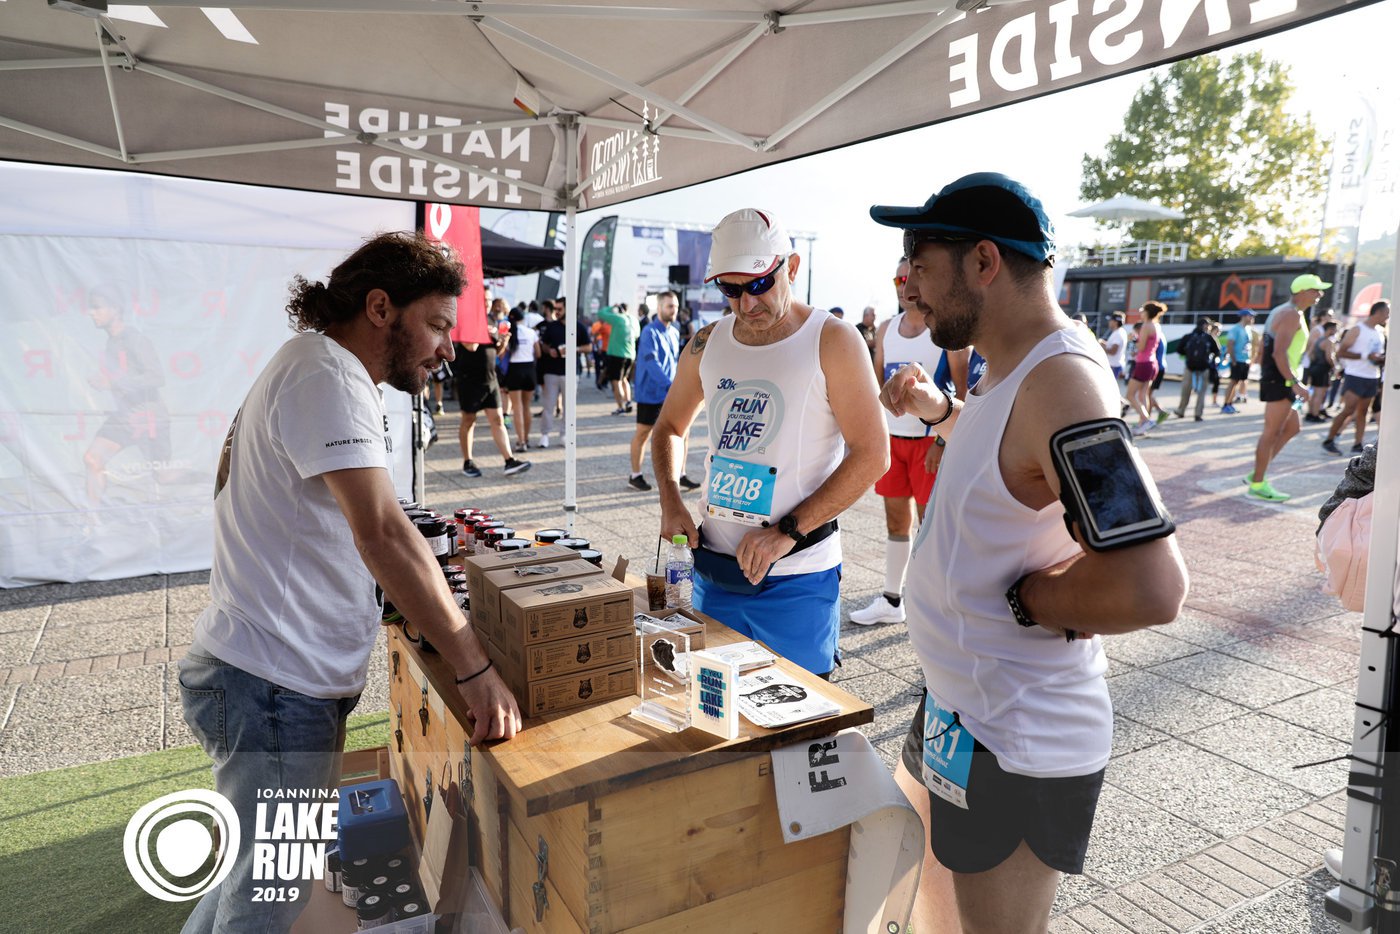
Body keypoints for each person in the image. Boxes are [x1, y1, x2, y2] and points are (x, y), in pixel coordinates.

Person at [869, 172, 1187, 934]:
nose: (908, 285)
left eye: (920, 262)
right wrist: (942, 413)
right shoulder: (1009, 363)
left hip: (1014, 737)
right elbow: (1013, 461)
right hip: (961, 710)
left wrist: (1030, 598)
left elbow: (1152, 584)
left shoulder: (1063, 382)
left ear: (984, 261)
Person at [178, 233, 521, 934]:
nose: (447, 349)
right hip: (273, 683)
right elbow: (382, 533)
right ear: (380, 307)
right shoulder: (327, 375)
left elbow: (375, 524)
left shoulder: (315, 365)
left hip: (271, 678)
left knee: (256, 876)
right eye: (437, 325)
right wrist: (474, 665)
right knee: (269, 897)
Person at [651, 207, 888, 676]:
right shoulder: (706, 342)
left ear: (791, 267)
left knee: (799, 714)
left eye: (760, 283)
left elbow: (873, 454)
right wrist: (670, 498)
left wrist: (786, 532)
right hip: (716, 570)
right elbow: (669, 428)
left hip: (797, 575)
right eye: (730, 289)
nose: (746, 303)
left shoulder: (833, 340)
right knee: (713, 708)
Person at [849, 256, 969, 626]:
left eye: (909, 277)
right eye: (897, 279)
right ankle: (892, 599)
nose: (903, 286)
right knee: (895, 521)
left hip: (929, 442)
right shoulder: (886, 328)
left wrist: (942, 443)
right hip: (893, 440)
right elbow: (876, 387)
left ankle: (936, 603)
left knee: (930, 526)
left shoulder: (945, 330)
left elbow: (964, 392)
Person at [83, 288, 172, 506]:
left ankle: (214, 481)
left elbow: (157, 377)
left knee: (163, 476)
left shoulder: (134, 339)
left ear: (115, 309)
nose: (91, 313)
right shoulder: (111, 343)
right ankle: (92, 520)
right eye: (91, 308)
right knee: (92, 459)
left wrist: (112, 383)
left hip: (148, 418)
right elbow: (123, 376)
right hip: (125, 417)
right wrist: (104, 380)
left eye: (97, 307)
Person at [1248, 274, 1327, 500]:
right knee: (1271, 433)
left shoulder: (1288, 311)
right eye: (1315, 290)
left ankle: (1258, 472)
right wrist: (1294, 383)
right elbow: (1278, 353)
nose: (1320, 294)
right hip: (1281, 379)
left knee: (1292, 428)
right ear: (1301, 291)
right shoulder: (1291, 314)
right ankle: (1257, 484)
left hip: (1280, 378)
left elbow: (1269, 350)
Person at [628, 290, 702, 493]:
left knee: (683, 432)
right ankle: (635, 475)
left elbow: (675, 362)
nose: (674, 310)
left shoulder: (674, 331)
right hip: (651, 392)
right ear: (660, 307)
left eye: (676, 306)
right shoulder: (649, 332)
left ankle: (681, 474)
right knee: (643, 433)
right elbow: (651, 363)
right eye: (670, 306)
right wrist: (670, 386)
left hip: (670, 391)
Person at [453, 297, 531, 478]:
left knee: (498, 419)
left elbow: (496, 351)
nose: (487, 303)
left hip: (490, 379)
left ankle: (509, 461)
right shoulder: (466, 320)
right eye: (483, 299)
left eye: (488, 299)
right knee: (469, 420)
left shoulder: (491, 321)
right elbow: (471, 346)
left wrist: (503, 341)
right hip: (469, 379)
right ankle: (467, 462)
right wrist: (483, 330)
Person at [1323, 299, 1389, 456]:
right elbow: (1341, 352)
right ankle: (1329, 441)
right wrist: (1366, 356)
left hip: (1372, 376)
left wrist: (1381, 359)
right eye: (1387, 313)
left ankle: (1357, 444)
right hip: (1355, 375)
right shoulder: (1357, 329)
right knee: (1348, 409)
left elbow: (1376, 354)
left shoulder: (1380, 332)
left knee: (1363, 412)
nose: (1388, 317)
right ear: (1378, 312)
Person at [537, 299, 590, 448]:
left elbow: (589, 347)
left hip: (571, 372)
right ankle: (544, 435)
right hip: (551, 371)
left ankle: (565, 434)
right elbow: (544, 345)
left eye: (560, 309)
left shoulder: (579, 327)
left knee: (569, 406)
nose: (557, 312)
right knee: (548, 405)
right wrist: (550, 351)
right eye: (555, 309)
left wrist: (574, 349)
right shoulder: (552, 326)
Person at [502, 306, 540, 451]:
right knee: (526, 406)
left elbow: (503, 355)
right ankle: (527, 438)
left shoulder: (509, 333)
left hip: (515, 370)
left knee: (516, 407)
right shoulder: (531, 332)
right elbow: (538, 353)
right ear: (522, 318)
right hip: (529, 369)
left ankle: (521, 441)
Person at [1126, 302, 1165, 435]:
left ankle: (1146, 420)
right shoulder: (1156, 325)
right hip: (1152, 363)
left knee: (1130, 395)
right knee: (1143, 395)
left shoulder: (1146, 326)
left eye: (1142, 311)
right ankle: (1142, 425)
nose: (1140, 313)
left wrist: (1133, 339)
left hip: (1143, 363)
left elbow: (1141, 347)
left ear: (1147, 312)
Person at [1173, 317, 1219, 422]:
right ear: (1205, 326)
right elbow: (1217, 351)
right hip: (1204, 368)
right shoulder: (1209, 338)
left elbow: (1179, 349)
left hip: (1189, 367)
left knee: (1186, 390)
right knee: (1201, 393)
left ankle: (1181, 410)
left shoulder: (1188, 336)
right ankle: (1198, 414)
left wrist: (1189, 355)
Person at [597, 301, 639, 414]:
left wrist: (612, 307)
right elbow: (637, 335)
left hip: (617, 354)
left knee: (616, 381)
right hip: (630, 354)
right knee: (625, 379)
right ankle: (628, 402)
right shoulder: (634, 320)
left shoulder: (618, 318)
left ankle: (620, 407)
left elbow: (601, 313)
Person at [1305, 320, 1339, 422]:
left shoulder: (1318, 340)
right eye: (1335, 329)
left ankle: (1310, 413)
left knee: (1314, 392)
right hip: (1323, 369)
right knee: (1319, 394)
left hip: (1315, 368)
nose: (1336, 331)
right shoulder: (1328, 341)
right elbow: (1329, 357)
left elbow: (1310, 354)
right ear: (1330, 329)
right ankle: (1315, 414)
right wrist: (1335, 367)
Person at [1222, 310, 1256, 412]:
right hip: (1237, 360)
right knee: (1233, 382)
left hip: (1245, 360)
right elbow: (1230, 345)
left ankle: (1230, 404)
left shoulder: (1248, 329)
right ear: (1243, 316)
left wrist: (1250, 359)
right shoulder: (1235, 329)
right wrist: (1233, 360)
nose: (1252, 318)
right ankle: (1226, 405)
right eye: (1250, 316)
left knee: (1237, 383)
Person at [1099, 312, 1128, 384]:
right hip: (1114, 365)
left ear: (1115, 322)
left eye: (1110, 320)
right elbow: (1113, 346)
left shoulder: (1118, 333)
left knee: (1107, 387)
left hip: (1114, 366)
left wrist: (1100, 346)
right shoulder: (1120, 331)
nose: (1109, 322)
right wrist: (1104, 343)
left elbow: (1113, 351)